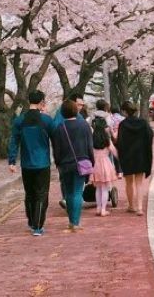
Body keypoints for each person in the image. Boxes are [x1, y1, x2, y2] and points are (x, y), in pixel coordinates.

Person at [8, 89, 54, 236]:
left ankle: (31, 221)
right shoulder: (47, 120)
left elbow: (14, 141)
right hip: (43, 163)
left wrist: (12, 161)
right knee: (42, 194)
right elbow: (56, 139)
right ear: (41, 102)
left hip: (26, 163)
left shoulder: (20, 120)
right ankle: (38, 226)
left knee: (30, 193)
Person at [52, 99, 95, 231]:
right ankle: (75, 222)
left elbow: (56, 149)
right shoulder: (84, 126)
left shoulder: (60, 128)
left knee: (69, 193)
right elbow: (89, 146)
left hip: (65, 164)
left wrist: (58, 163)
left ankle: (71, 221)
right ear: (76, 111)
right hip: (81, 162)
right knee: (77, 192)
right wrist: (92, 162)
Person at [116, 100, 154, 215]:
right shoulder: (143, 123)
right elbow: (150, 135)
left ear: (124, 111)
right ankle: (140, 208)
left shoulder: (123, 125)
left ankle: (131, 205)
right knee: (139, 183)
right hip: (141, 155)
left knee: (129, 182)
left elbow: (120, 142)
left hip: (127, 156)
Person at [90, 105, 119, 217]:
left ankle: (98, 208)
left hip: (95, 164)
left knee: (98, 188)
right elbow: (114, 151)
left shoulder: (91, 138)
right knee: (105, 188)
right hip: (106, 164)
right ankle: (103, 209)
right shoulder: (106, 138)